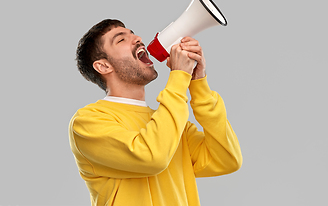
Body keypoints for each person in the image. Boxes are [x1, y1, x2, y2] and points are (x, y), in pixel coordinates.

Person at [69, 19, 242, 206]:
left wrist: (198, 84)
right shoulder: (87, 122)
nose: (138, 38)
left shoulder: (170, 123)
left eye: (133, 33)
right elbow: (153, 157)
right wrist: (178, 78)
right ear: (103, 66)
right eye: (121, 40)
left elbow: (227, 159)